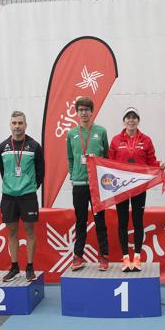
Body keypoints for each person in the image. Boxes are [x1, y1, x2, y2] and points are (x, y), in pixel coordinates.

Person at [109, 107, 165, 272]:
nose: (131, 120)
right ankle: (125, 259)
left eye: (134, 117)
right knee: (122, 222)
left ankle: (137, 257)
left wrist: (160, 165)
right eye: (128, 117)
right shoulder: (115, 140)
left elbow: (151, 161)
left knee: (138, 221)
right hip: (120, 188)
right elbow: (108, 163)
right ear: (124, 121)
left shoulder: (146, 140)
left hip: (139, 186)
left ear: (138, 120)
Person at [0, 111, 44, 282]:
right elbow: (3, 172)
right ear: (10, 125)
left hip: (28, 196)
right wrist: (12, 185)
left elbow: (41, 172)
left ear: (25, 124)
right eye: (14, 123)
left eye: (20, 123)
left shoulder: (34, 146)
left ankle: (30, 267)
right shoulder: (2, 147)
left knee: (30, 231)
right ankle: (14, 266)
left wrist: (29, 187)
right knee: (12, 232)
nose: (17, 126)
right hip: (9, 196)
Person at [66, 96, 110, 271]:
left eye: (86, 109)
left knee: (100, 221)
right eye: (80, 110)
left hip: (97, 185)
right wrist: (73, 175)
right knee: (80, 221)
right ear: (77, 112)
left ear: (92, 111)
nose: (84, 113)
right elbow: (70, 158)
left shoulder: (101, 131)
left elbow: (106, 157)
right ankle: (78, 256)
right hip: (79, 184)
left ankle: (104, 256)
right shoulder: (71, 134)